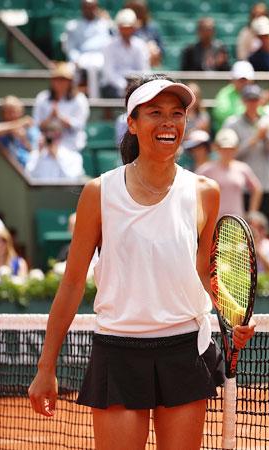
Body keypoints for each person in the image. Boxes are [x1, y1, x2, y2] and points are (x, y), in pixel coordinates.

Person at [28, 74, 255, 449]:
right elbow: (71, 283)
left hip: (185, 348)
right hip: (117, 350)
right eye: (155, 113)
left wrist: (231, 316)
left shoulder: (204, 192)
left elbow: (202, 270)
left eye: (177, 113)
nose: (169, 122)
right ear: (132, 123)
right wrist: (46, 366)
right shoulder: (99, 193)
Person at [223, 84, 269, 229]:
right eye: (249, 99)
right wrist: (255, 139)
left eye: (255, 99)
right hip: (241, 187)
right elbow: (229, 153)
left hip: (264, 184)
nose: (252, 103)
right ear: (243, 101)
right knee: (240, 231)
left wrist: (265, 137)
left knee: (268, 231)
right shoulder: (232, 123)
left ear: (261, 101)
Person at [196, 128, 262, 219]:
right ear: (217, 148)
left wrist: (252, 212)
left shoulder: (242, 168)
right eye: (224, 149)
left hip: (236, 222)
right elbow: (193, 190)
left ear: (236, 149)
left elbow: (257, 189)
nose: (227, 152)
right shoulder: (206, 169)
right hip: (213, 222)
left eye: (231, 149)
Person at [33, 62, 90, 153]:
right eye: (56, 79)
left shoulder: (80, 99)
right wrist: (50, 117)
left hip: (71, 144)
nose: (59, 83)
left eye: (63, 79)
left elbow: (79, 125)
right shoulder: (42, 98)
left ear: (70, 82)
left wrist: (59, 117)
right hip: (45, 144)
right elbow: (37, 124)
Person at [62, 0, 113, 97]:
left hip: (100, 56)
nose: (90, 10)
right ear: (82, 8)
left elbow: (109, 43)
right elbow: (69, 47)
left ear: (96, 8)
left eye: (92, 7)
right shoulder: (72, 26)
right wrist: (75, 59)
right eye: (87, 7)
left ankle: (94, 100)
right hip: (81, 56)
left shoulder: (104, 24)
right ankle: (70, 99)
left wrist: (108, 21)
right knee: (69, 70)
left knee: (94, 67)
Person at [100, 8, 150, 98]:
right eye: (124, 28)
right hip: (114, 85)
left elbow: (144, 69)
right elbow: (109, 72)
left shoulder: (140, 45)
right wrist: (123, 86)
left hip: (135, 84)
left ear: (134, 28)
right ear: (119, 28)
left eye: (129, 28)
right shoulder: (109, 46)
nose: (126, 31)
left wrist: (135, 85)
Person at [0, 96, 39, 167]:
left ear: (21, 112)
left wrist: (24, 140)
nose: (12, 115)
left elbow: (36, 152)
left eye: (15, 111)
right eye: (9, 112)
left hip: (27, 171)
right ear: (3, 114)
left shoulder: (29, 129)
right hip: (6, 170)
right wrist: (15, 126)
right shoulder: (0, 127)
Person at [211, 61, 255, 131]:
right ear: (233, 80)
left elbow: (262, 111)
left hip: (251, 132)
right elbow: (222, 114)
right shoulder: (225, 93)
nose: (243, 83)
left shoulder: (256, 93)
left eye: (245, 80)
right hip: (230, 133)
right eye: (240, 80)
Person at [125, 0, 163, 67]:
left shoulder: (153, 27)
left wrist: (155, 50)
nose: (138, 14)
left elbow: (161, 49)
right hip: (131, 61)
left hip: (150, 61)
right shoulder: (126, 27)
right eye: (135, 10)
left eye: (140, 10)